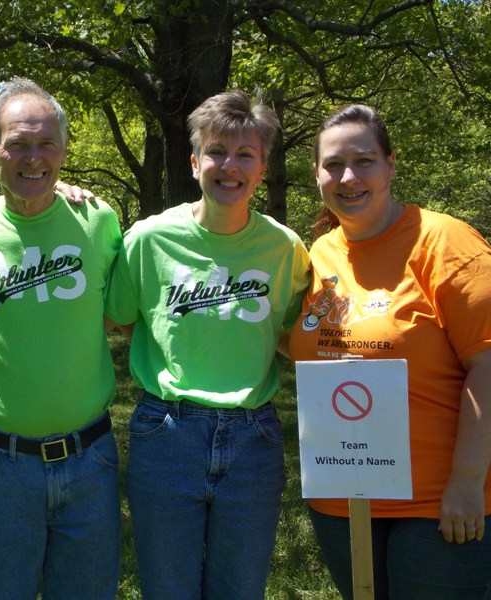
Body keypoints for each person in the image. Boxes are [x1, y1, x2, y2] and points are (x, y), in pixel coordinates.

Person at [106, 89, 311, 599]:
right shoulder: (148, 240)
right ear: (195, 161)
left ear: (262, 168)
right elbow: (123, 319)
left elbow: (293, 334)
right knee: (168, 589)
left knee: (239, 590)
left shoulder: (285, 248)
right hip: (167, 434)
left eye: (246, 154)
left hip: (254, 439)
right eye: (217, 151)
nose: (230, 166)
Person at [288, 104, 491, 599]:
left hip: (436, 501)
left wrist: (467, 481)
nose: (348, 177)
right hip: (341, 495)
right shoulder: (317, 254)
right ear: (316, 174)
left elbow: (487, 364)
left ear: (391, 164)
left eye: (364, 161)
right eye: (334, 164)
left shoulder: (445, 243)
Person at [0, 77, 123, 600]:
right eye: (17, 144)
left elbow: (123, 312)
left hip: (91, 459)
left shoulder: (98, 220)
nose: (33, 157)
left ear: (64, 151)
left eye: (46, 144)